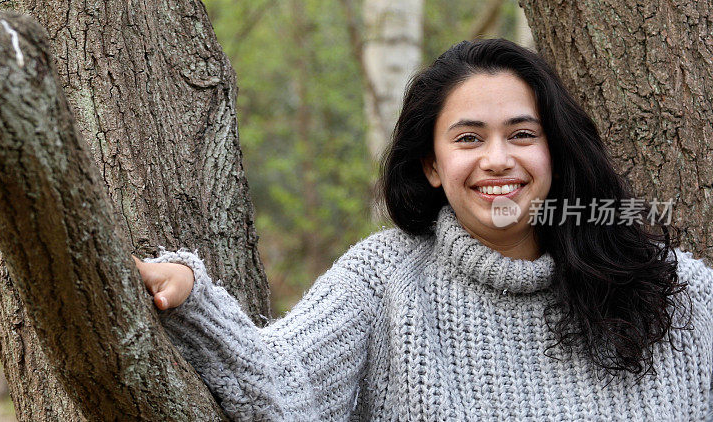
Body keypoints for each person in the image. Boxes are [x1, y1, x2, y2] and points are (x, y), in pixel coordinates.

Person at [134, 39, 713, 420]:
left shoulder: (681, 294)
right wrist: (192, 297)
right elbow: (285, 391)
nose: (497, 161)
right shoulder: (384, 277)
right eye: (468, 138)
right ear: (432, 166)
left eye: (521, 135)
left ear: (556, 152)